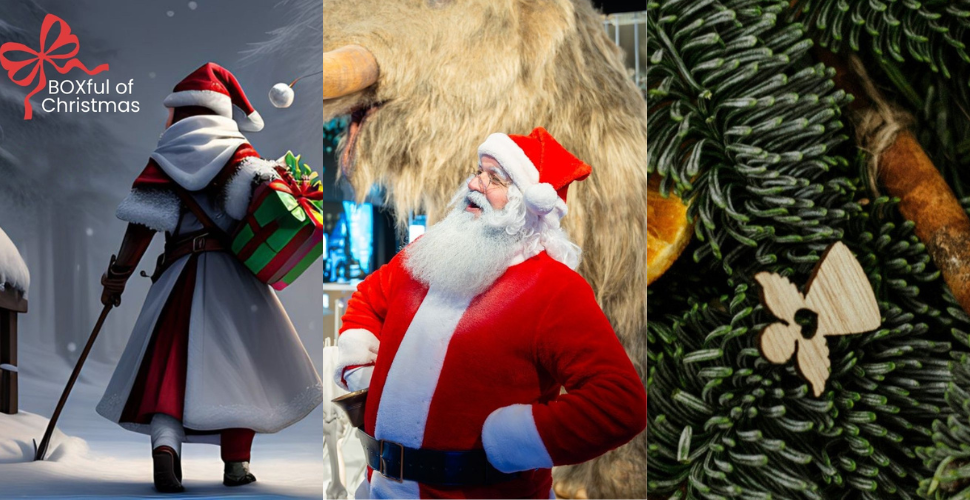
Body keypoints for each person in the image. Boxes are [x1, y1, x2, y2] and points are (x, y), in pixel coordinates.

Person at [334, 127, 647, 499]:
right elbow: (369, 297)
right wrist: (359, 363)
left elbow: (619, 403)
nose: (474, 184)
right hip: (377, 488)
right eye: (478, 172)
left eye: (493, 179)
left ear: (527, 203)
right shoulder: (426, 252)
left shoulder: (555, 289)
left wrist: (515, 440)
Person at [95, 63, 322, 493]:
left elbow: (140, 227)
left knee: (170, 364)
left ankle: (167, 449)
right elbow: (262, 209)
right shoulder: (244, 157)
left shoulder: (164, 160)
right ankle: (236, 465)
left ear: (184, 112)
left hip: (180, 276)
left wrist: (117, 278)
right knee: (242, 366)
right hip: (236, 280)